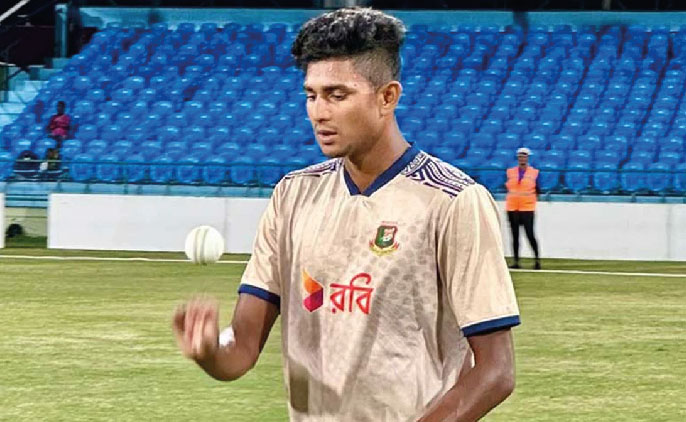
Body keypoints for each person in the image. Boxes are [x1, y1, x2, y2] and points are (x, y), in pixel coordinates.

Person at [173, 7, 520, 422]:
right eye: (311, 95)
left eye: (337, 95)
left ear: (387, 97)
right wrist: (211, 352)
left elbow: (496, 371)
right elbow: (242, 349)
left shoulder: (452, 201)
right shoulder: (293, 195)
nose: (319, 112)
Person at [505, 147, 541, 270]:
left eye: (524, 156)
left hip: (527, 208)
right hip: (512, 207)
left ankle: (537, 260)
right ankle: (516, 261)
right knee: (514, 236)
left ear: (528, 158)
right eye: (520, 156)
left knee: (530, 234)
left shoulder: (534, 173)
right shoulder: (510, 172)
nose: (522, 159)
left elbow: (538, 189)